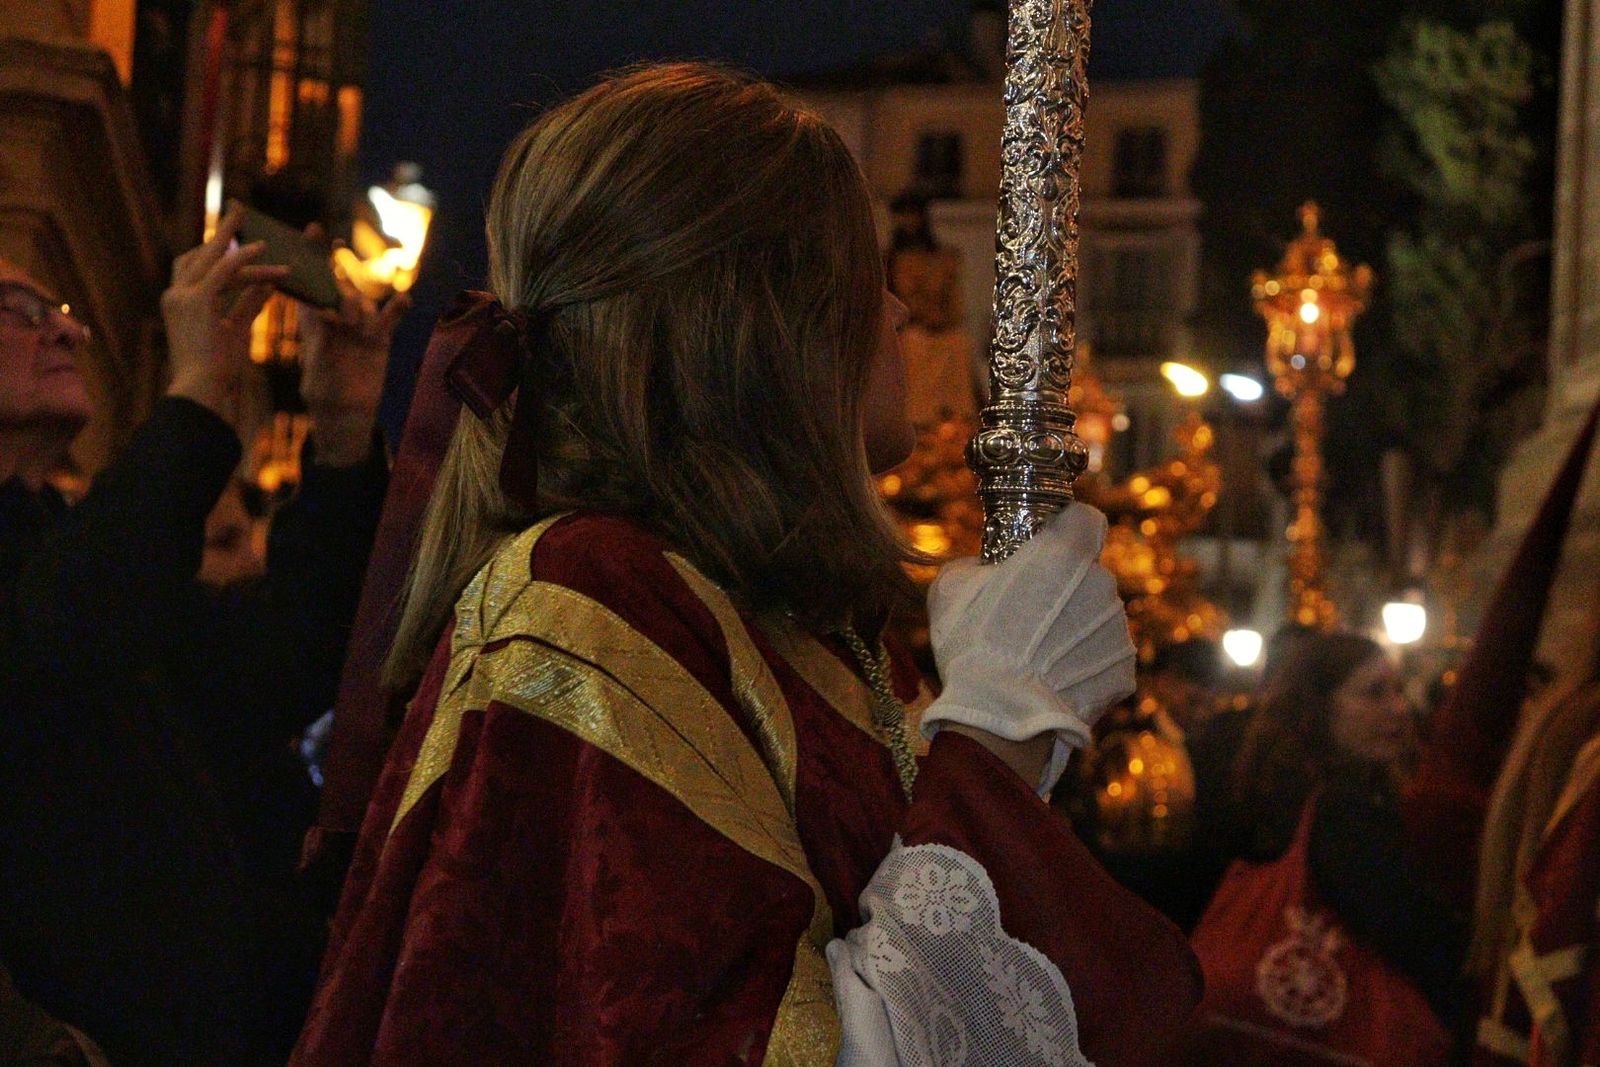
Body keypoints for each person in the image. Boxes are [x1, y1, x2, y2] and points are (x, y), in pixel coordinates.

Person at [292, 63, 1199, 1066]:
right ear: (769, 321)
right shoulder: (591, 598)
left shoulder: (802, 624)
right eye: (865, 273)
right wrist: (999, 725)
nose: (899, 310)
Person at [0, 205, 403, 1065]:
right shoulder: (72, 575)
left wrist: (340, 432)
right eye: (18, 311)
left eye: (60, 312)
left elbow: (280, 660)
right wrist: (193, 397)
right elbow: (66, 640)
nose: (65, 331)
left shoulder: (56, 539)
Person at [1187, 632, 1468, 1065]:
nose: (1397, 708)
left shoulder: (1276, 788)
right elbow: (1415, 934)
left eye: (1398, 691)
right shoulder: (1343, 812)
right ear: (1319, 707)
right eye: (1374, 693)